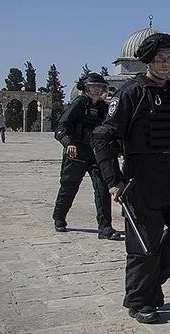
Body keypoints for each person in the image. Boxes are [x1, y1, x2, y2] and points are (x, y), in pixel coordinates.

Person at [91, 33, 170, 324]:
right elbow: (102, 138)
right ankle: (139, 300)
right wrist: (113, 180)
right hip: (141, 175)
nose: (166, 64)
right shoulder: (131, 93)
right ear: (149, 61)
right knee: (144, 243)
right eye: (160, 59)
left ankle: (150, 285)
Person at [52, 71, 123, 240]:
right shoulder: (79, 104)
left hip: (97, 153)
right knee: (69, 186)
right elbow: (61, 127)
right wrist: (68, 142)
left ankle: (105, 226)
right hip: (77, 151)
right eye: (93, 87)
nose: (97, 90)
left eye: (100, 87)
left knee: (102, 188)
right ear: (85, 89)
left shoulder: (105, 108)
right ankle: (59, 217)